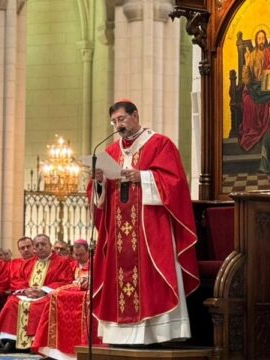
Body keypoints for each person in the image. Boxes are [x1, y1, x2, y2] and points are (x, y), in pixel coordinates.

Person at [89, 99, 199, 346]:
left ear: (135, 115)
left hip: (150, 227)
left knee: (153, 278)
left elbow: (176, 183)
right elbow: (99, 199)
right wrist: (99, 181)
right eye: (114, 121)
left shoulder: (159, 143)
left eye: (122, 119)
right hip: (119, 231)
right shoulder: (111, 152)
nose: (118, 125)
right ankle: (121, 336)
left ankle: (159, 334)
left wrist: (143, 177)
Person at [0, 234, 74, 354]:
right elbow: (17, 279)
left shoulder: (62, 262)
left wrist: (44, 290)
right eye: (37, 245)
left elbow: (65, 281)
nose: (40, 247)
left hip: (47, 295)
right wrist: (26, 290)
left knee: (42, 305)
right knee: (12, 301)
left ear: (50, 245)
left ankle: (36, 343)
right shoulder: (28, 262)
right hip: (28, 294)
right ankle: (11, 342)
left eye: (43, 244)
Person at [239, 29, 270, 152]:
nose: (261, 41)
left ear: (266, 39)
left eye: (263, 38)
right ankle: (252, 131)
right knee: (248, 100)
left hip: (266, 86)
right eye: (259, 38)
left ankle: (266, 132)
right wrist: (247, 63)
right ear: (256, 40)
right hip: (253, 87)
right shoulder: (252, 55)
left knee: (269, 101)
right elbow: (246, 80)